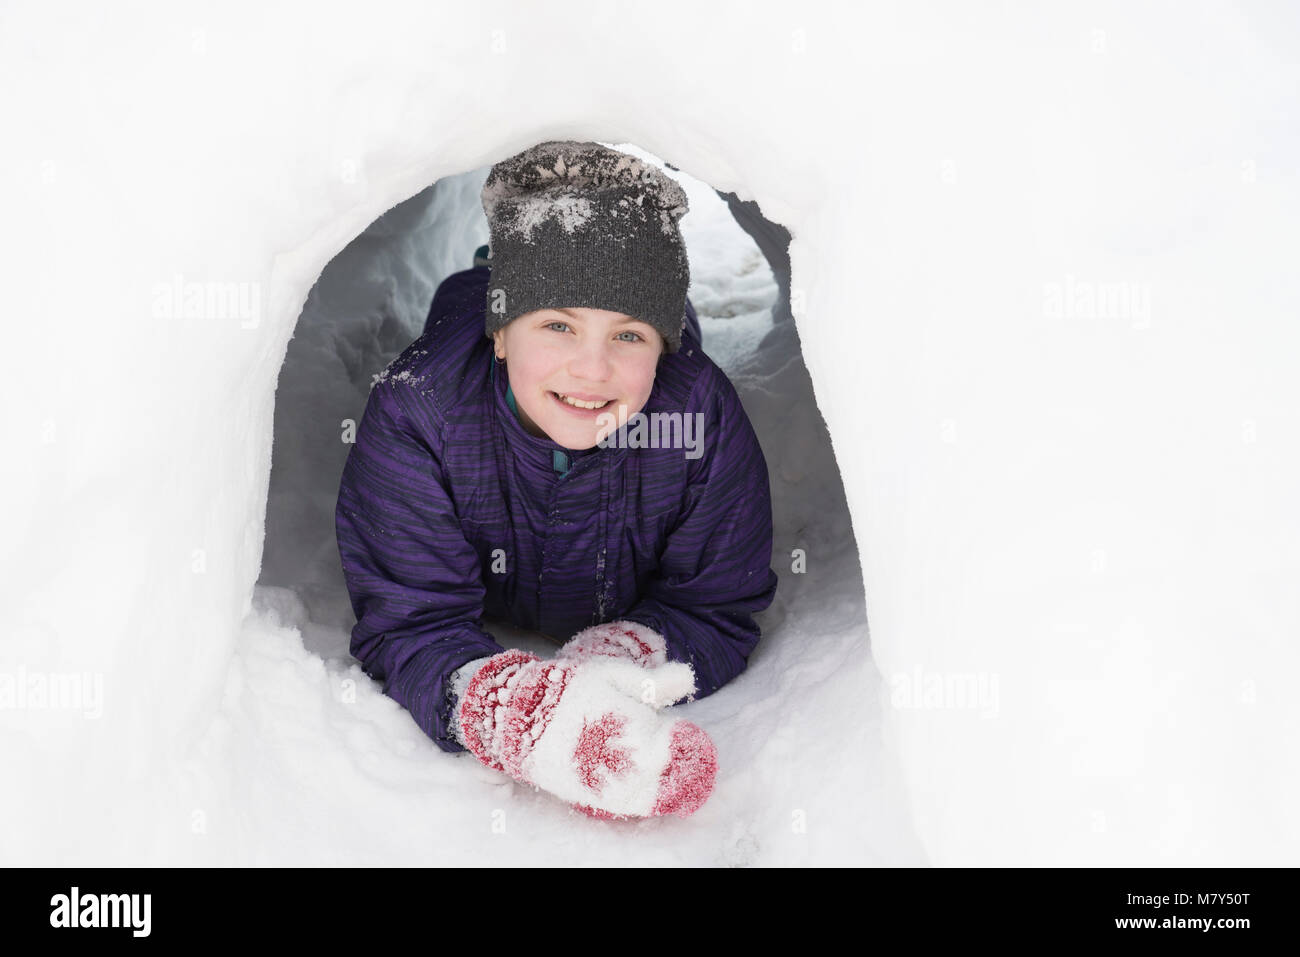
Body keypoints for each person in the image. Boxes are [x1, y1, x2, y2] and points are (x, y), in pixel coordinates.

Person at [335, 140, 779, 820]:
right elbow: (410, 622)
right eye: (557, 324)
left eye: (629, 335)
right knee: (473, 305)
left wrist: (616, 663)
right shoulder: (419, 412)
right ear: (504, 334)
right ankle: (484, 287)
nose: (591, 369)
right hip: (470, 336)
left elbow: (715, 605)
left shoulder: (696, 417)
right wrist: (519, 711)